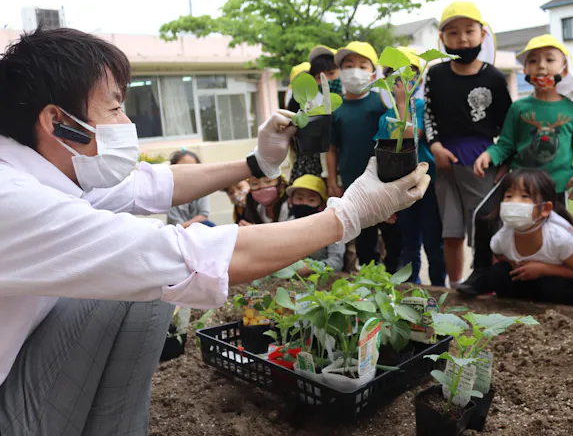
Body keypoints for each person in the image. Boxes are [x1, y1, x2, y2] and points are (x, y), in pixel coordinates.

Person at [0, 28, 430, 435]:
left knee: (145, 287)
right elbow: (189, 258)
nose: (125, 120)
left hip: (21, 362)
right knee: (153, 275)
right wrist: (349, 215)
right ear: (56, 121)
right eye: (114, 107)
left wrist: (256, 164)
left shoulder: (43, 171)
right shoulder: (12, 200)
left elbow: (148, 185)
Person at [424, 1, 512, 291]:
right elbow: (428, 115)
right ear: (442, 39)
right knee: (451, 230)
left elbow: (508, 127)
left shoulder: (495, 79)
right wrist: (435, 145)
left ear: (482, 35)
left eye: (469, 31)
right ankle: (456, 285)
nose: (462, 39)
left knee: (484, 226)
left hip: (480, 163)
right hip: (444, 163)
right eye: (453, 33)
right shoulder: (434, 75)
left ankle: (485, 282)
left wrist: (501, 160)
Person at [474, 34, 573, 206]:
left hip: (558, 188)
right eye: (533, 61)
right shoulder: (518, 108)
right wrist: (490, 155)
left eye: (550, 60)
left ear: (564, 70)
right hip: (522, 189)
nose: (541, 66)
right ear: (525, 71)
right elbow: (506, 144)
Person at [326, 41, 402, 272]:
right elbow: (331, 149)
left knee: (393, 238)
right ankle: (370, 283)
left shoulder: (381, 102)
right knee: (364, 240)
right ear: (340, 71)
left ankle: (395, 282)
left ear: (373, 71)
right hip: (353, 186)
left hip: (384, 183)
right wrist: (332, 181)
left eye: (362, 65)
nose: (355, 70)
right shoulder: (336, 107)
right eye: (348, 65)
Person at [375, 47, 445, 286]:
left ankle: (438, 288)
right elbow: (383, 155)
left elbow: (411, 136)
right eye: (394, 76)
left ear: (420, 79)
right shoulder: (385, 118)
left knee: (434, 242)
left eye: (408, 75)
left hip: (428, 185)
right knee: (409, 244)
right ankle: (411, 289)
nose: (401, 82)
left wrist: (404, 103)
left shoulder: (425, 108)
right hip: (401, 190)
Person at [487, 169, 573, 304]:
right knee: (498, 273)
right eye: (509, 196)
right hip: (525, 284)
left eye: (524, 196)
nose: (514, 202)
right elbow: (497, 254)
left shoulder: (559, 238)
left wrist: (542, 269)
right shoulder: (503, 237)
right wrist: (513, 263)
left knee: (554, 287)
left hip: (554, 286)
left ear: (545, 209)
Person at [288, 46, 341, 183]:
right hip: (316, 171)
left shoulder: (353, 102)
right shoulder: (307, 107)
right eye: (319, 77)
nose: (326, 81)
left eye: (331, 73)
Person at [285, 174, 345, 274]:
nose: (304, 203)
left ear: (322, 206)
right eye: (299, 198)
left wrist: (311, 268)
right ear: (290, 202)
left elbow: (337, 262)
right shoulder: (284, 226)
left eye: (311, 200)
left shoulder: (332, 229)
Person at [166, 150, 215, 227]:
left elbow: (203, 215)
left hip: (197, 229)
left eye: (192, 168)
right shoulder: (171, 192)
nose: (188, 172)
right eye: (183, 168)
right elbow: (177, 225)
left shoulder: (203, 189)